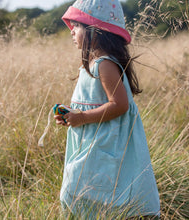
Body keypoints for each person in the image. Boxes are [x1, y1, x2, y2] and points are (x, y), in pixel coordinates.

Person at [54, 0, 160, 219]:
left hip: (105, 142)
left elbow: (120, 104)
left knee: (80, 191)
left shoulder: (104, 64)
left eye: (77, 25)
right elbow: (95, 102)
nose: (72, 31)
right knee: (82, 190)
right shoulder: (92, 64)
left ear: (95, 31)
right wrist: (72, 113)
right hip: (92, 139)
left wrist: (81, 117)